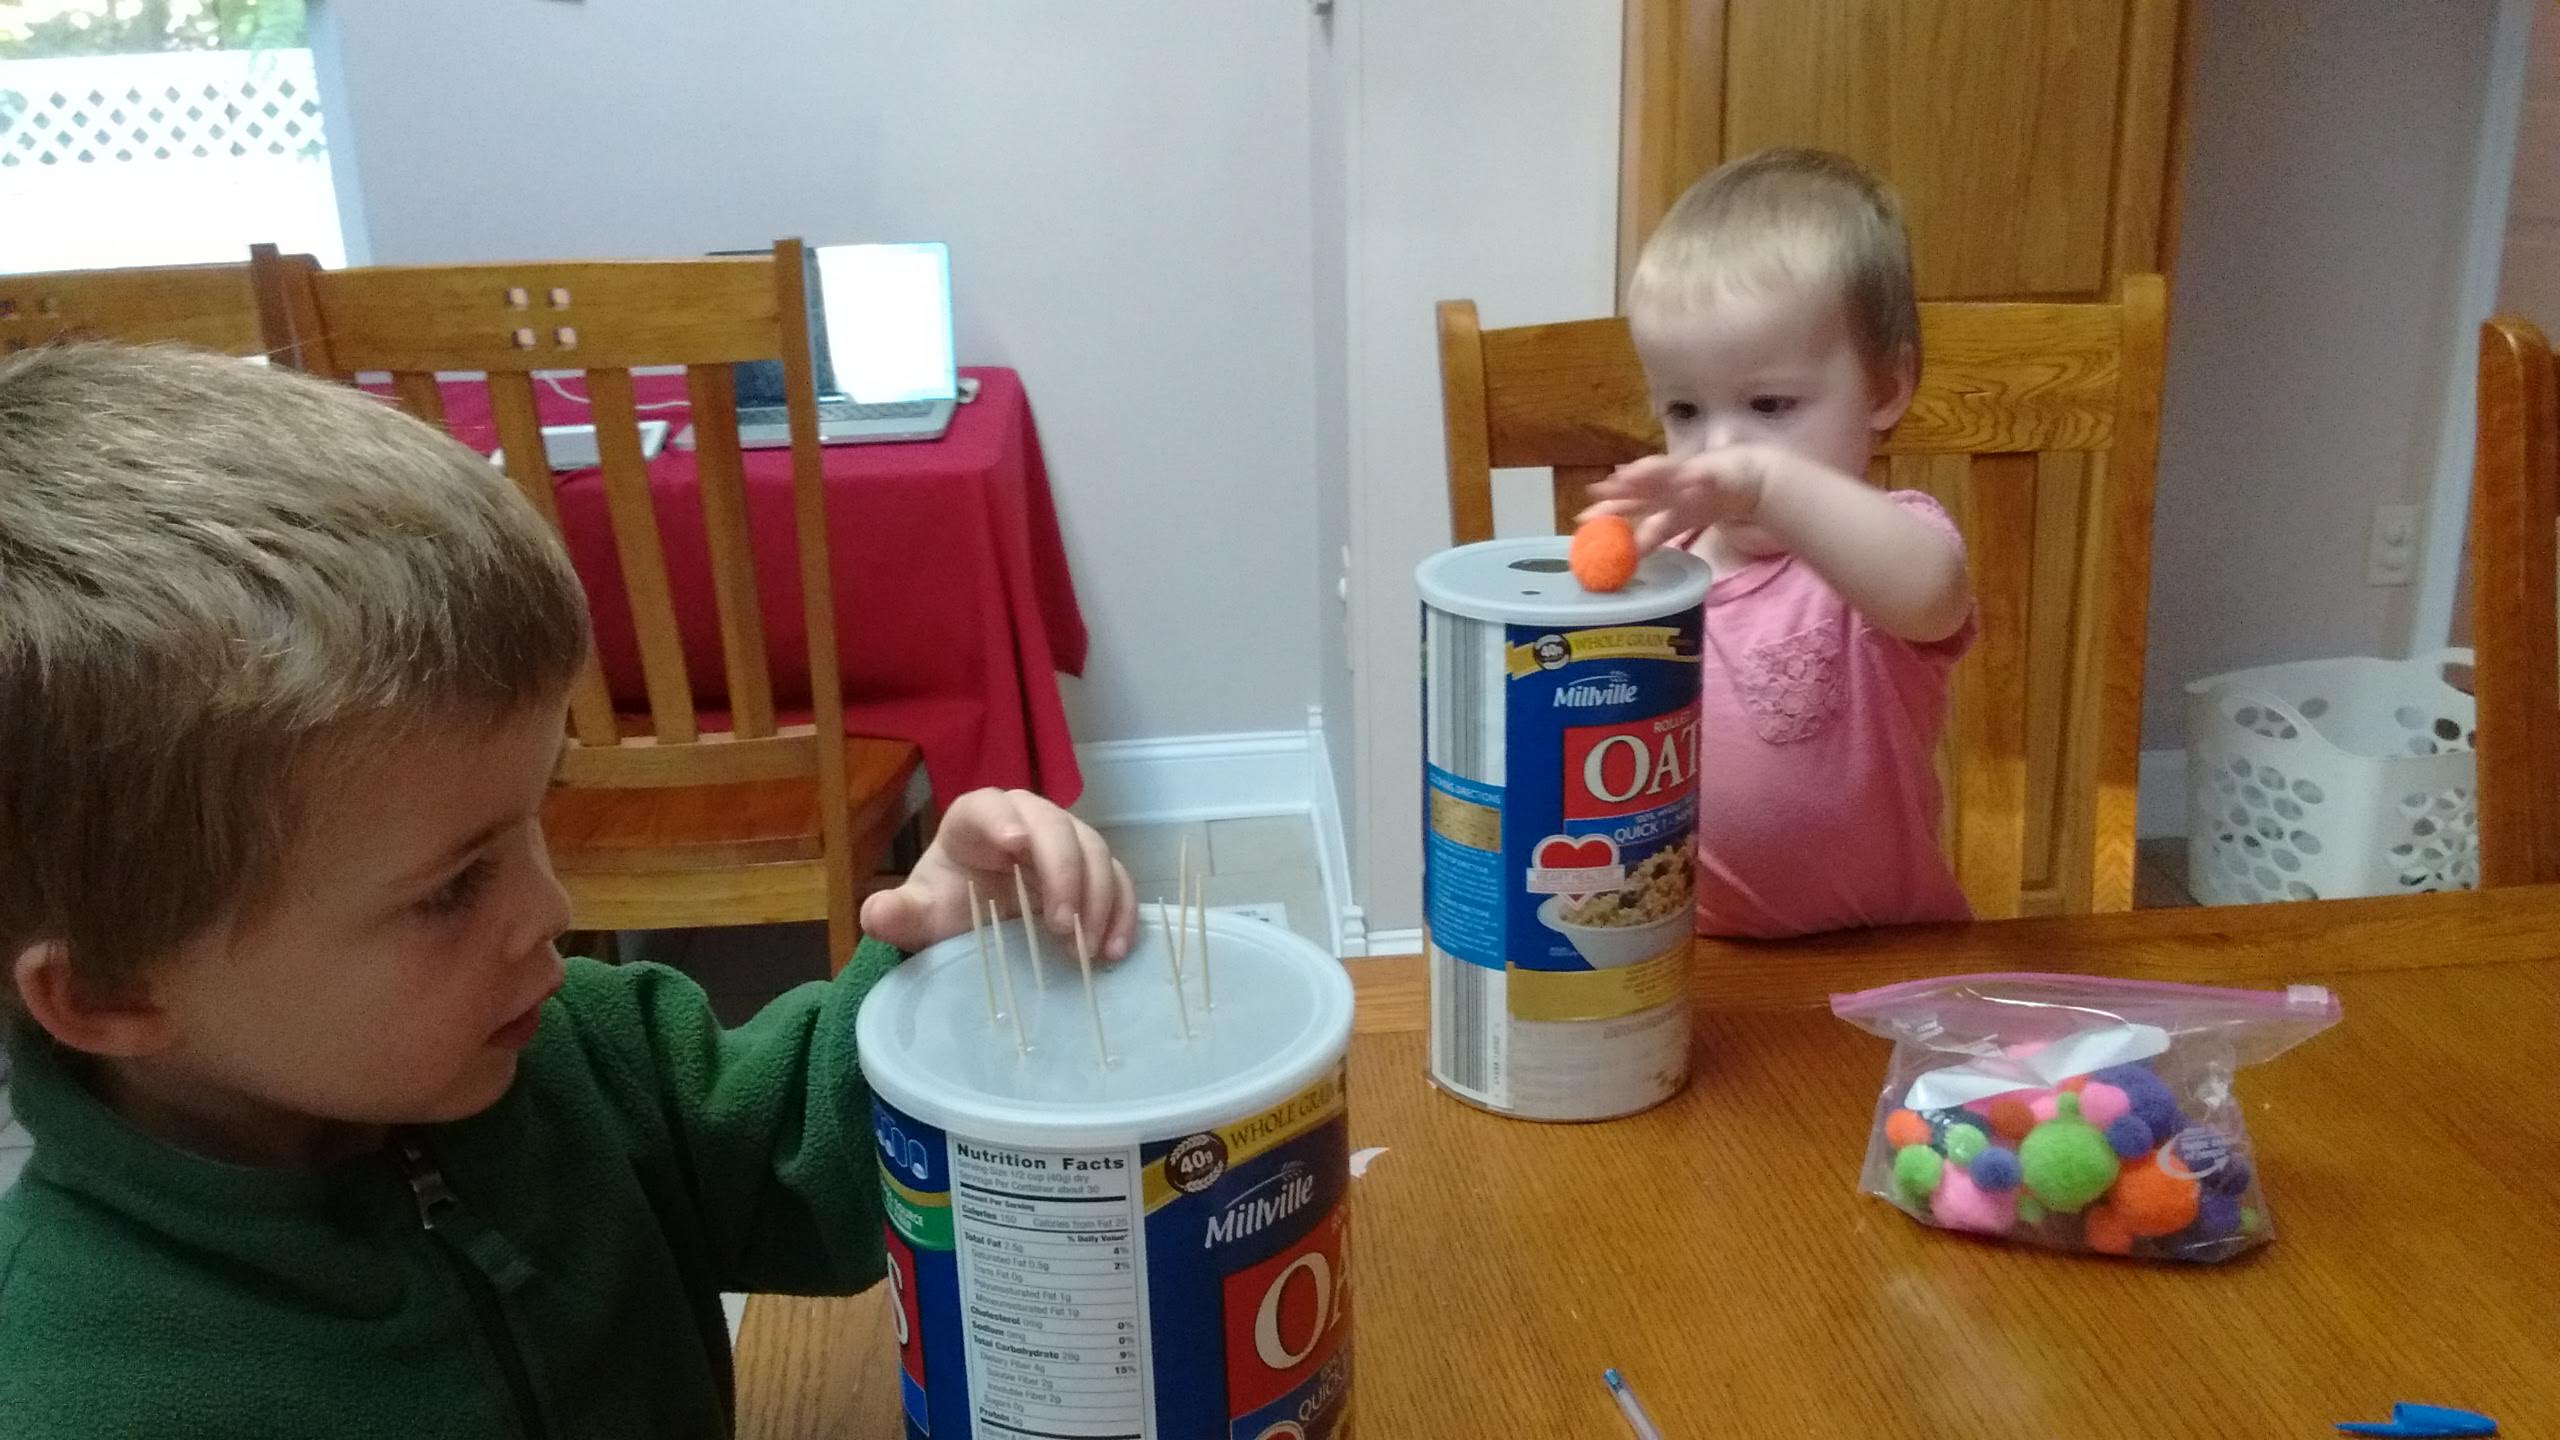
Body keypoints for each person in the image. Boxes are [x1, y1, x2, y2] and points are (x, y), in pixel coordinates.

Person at [0, 341, 1137, 1436]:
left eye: (537, 812)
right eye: (451, 889)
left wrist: (929, 971)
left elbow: (817, 1167)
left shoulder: (586, 1053)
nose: (550, 909)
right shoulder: (76, 1391)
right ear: (110, 990)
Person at [1582, 147, 1977, 938]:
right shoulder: (1670, 565)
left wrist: (1766, 483)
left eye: (1768, 403)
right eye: (1685, 411)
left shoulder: (1886, 546)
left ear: (1886, 387)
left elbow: (1932, 594)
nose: (1719, 448)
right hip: (1700, 962)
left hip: (1885, 956)